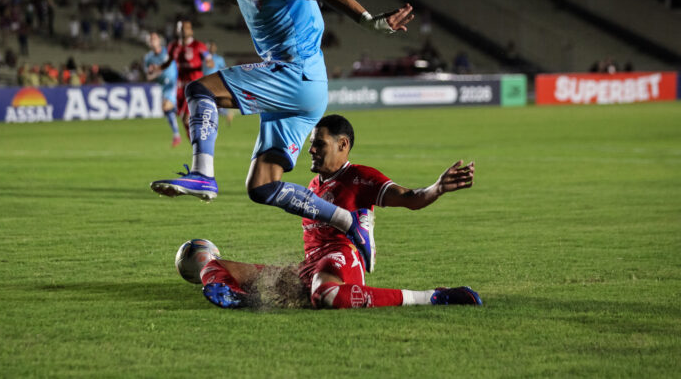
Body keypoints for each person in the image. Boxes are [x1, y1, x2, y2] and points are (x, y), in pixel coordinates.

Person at [150, 0, 414, 272]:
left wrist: (370, 22)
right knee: (263, 187)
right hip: (307, 87)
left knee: (200, 89)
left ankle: (203, 173)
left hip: (293, 72)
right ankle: (350, 223)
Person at [191, 114, 480, 309]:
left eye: (319, 144)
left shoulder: (360, 177)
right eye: (312, 143)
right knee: (214, 266)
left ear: (343, 145)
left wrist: (437, 188)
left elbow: (410, 197)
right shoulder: (313, 185)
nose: (311, 150)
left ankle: (432, 297)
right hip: (309, 267)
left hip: (340, 262)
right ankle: (238, 298)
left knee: (325, 296)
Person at [156, 19, 211, 136]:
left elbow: (208, 58)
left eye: (186, 28)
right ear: (177, 30)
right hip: (180, 86)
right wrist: (159, 68)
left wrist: (209, 62)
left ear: (191, 31)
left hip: (194, 84)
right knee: (183, 119)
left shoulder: (198, 46)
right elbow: (168, 61)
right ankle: (196, 144)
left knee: (186, 118)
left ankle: (200, 143)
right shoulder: (173, 46)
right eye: (181, 28)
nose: (183, 31)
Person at [144, 31, 182, 147]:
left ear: (159, 40)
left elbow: (179, 62)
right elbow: (148, 76)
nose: (153, 41)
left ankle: (177, 135)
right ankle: (177, 134)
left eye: (155, 38)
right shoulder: (148, 58)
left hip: (174, 83)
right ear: (148, 43)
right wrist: (154, 72)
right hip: (164, 86)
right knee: (167, 109)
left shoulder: (168, 51)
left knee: (166, 106)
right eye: (151, 39)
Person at [202, 41, 233, 126]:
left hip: (215, 83)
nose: (211, 48)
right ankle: (225, 114)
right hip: (204, 83)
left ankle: (217, 118)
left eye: (212, 46)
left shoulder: (219, 59)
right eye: (209, 46)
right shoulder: (203, 57)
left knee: (212, 102)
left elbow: (224, 70)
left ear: (215, 48)